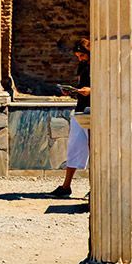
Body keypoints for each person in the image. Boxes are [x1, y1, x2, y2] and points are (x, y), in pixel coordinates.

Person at [53, 38, 90, 198]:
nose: (79, 59)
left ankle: (95, 186)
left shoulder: (100, 65)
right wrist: (73, 91)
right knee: (74, 146)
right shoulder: (83, 67)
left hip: (94, 110)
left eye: (82, 55)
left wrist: (91, 91)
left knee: (94, 148)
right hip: (81, 109)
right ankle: (66, 186)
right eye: (78, 56)